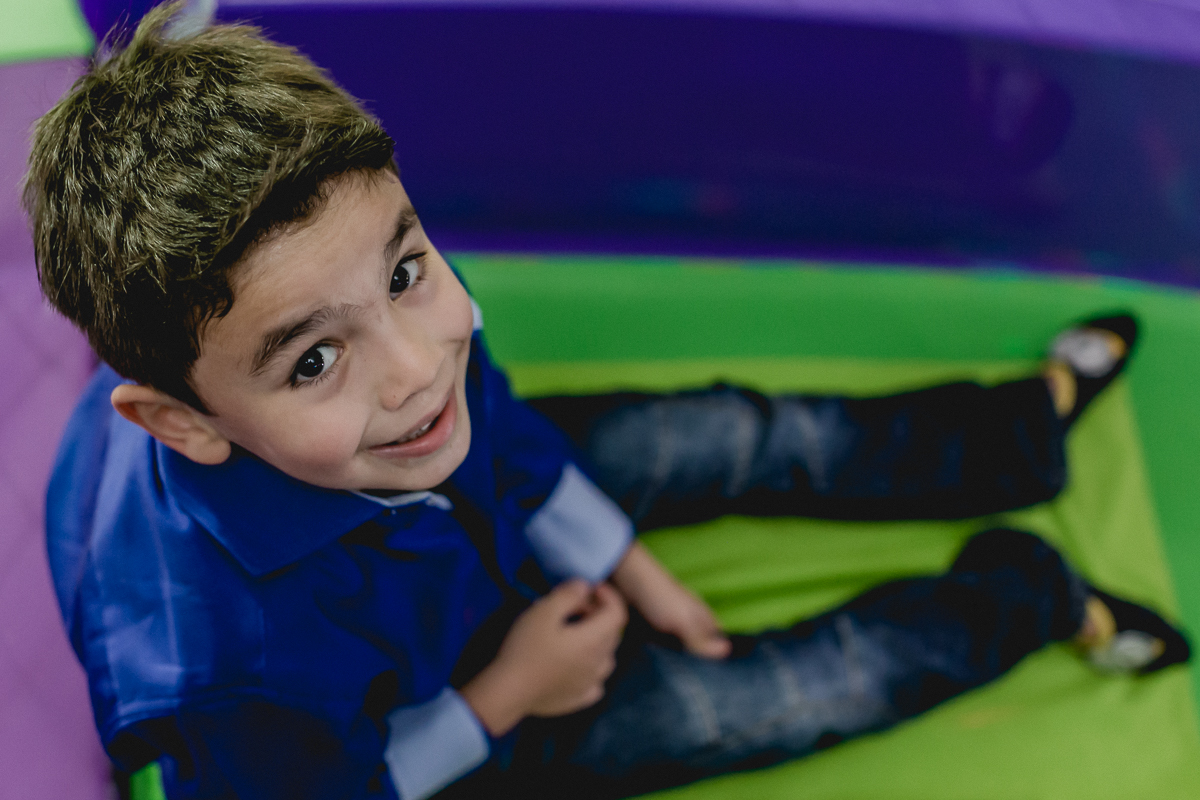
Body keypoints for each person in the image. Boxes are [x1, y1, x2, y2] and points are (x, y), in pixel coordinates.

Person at [25, 6, 1188, 800]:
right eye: (313, 361)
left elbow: (495, 423)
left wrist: (618, 549)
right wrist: (505, 692)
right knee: (769, 699)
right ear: (187, 420)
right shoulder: (222, 664)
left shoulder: (408, 326)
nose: (420, 365)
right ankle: (1035, 598)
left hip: (459, 496)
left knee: (735, 433)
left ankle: (1011, 430)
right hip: (445, 712)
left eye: (405, 266)